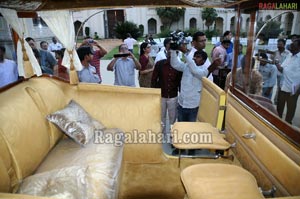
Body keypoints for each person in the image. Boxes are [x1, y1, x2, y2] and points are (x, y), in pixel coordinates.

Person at [170, 45, 220, 122]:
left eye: (198, 57)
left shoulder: (203, 72)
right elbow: (175, 64)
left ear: (203, 61)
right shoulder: (187, 66)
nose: (194, 58)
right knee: (181, 129)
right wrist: (173, 50)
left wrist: (186, 53)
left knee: (192, 130)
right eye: (194, 56)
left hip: (193, 107)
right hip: (181, 104)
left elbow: (195, 71)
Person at [151, 49, 182, 132]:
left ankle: (172, 134)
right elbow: (153, 79)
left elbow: (180, 82)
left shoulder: (179, 66)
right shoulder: (159, 64)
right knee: (161, 116)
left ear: (177, 55)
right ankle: (161, 133)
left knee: (173, 118)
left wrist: (181, 95)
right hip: (161, 95)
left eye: (173, 53)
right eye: (169, 53)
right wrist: (153, 94)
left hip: (173, 95)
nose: (171, 55)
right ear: (166, 54)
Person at [275, 39, 300, 124]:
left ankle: (287, 124)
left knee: (291, 107)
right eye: (291, 45)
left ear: (299, 47)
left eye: (293, 45)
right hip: (283, 85)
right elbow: (282, 68)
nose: (291, 46)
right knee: (279, 106)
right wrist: (277, 64)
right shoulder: (289, 55)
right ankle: (278, 123)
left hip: (294, 88)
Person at [271, 39, 290, 104]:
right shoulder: (275, 52)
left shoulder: (288, 53)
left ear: (284, 45)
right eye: (278, 44)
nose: (279, 46)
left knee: (279, 87)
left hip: (282, 73)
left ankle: (276, 100)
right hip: (274, 72)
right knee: (271, 85)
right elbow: (271, 60)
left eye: (280, 44)